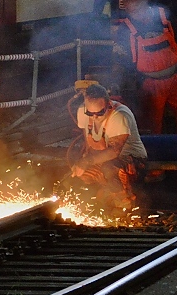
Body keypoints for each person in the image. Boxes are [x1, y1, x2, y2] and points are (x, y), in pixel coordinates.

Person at [112, 0, 177, 134]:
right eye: (132, 10)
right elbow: (120, 60)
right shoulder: (125, 28)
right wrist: (117, 82)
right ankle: (152, 155)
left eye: (139, 7)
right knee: (151, 126)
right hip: (149, 85)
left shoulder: (164, 16)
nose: (137, 13)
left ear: (145, 0)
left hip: (176, 79)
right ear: (126, 9)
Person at [64, 83, 149, 211]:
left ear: (108, 104)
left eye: (99, 113)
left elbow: (114, 152)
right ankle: (105, 198)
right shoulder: (82, 112)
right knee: (84, 175)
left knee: (109, 168)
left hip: (131, 159)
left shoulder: (119, 116)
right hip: (102, 159)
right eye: (90, 113)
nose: (94, 117)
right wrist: (82, 160)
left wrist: (87, 161)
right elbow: (88, 139)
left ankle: (125, 203)